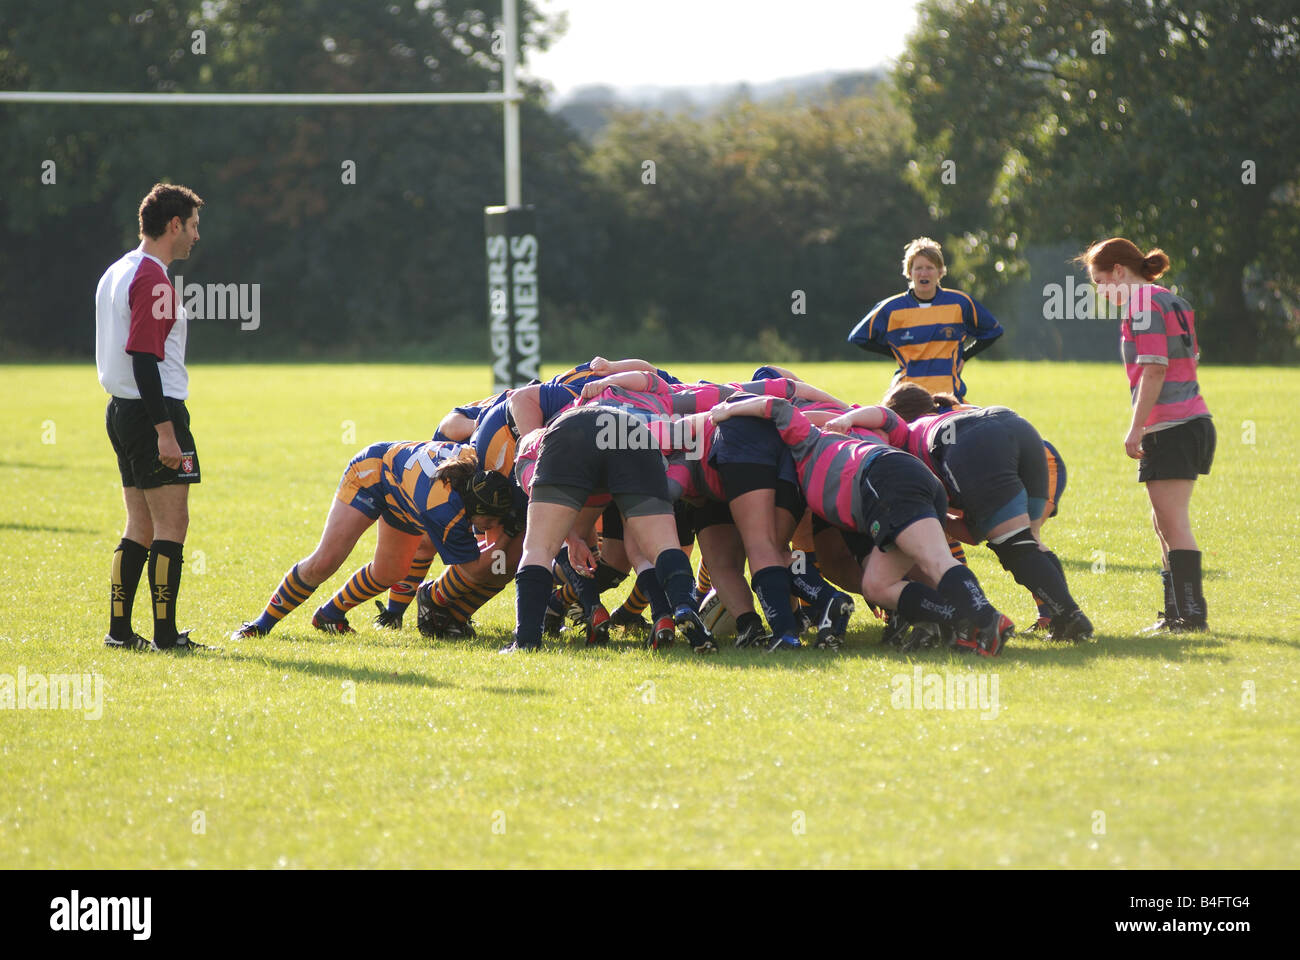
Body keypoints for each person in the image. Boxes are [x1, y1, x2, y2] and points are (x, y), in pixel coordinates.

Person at [712, 395, 1011, 656]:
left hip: (885, 480)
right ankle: (961, 618)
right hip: (902, 482)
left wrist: (727, 411)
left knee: (935, 561)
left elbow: (777, 407)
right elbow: (888, 418)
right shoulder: (838, 448)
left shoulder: (808, 439)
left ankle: (987, 618)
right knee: (878, 586)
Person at [231, 442, 513, 638]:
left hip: (403, 491)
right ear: (471, 508)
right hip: (371, 475)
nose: (493, 526)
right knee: (325, 561)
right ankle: (260, 625)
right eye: (490, 521)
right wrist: (509, 534)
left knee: (390, 572)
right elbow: (473, 570)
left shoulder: (478, 474)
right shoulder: (443, 510)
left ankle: (329, 616)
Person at [881, 383, 1093, 642]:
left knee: (1014, 547)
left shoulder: (905, 434)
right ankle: (1062, 619)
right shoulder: (948, 410)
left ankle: (1071, 617)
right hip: (1015, 425)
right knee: (1030, 541)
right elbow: (974, 533)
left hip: (973, 443)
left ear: (898, 417)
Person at [1076, 238, 1214, 632]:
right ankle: (1176, 613)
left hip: (1172, 425)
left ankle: (1190, 615)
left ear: (1120, 270)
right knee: (1164, 522)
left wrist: (1137, 427)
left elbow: (1155, 368)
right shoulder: (1170, 299)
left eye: (1101, 281)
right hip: (1189, 421)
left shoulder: (1142, 305)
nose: (1102, 292)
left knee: (1173, 523)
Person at [96, 182, 206, 652]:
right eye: (194, 226)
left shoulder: (118, 270)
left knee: (138, 524)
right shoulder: (153, 278)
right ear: (174, 224)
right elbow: (143, 356)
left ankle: (120, 632)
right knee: (171, 524)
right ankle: (165, 637)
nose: (197, 237)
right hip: (153, 413)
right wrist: (165, 431)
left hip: (121, 411)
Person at [847, 237, 1002, 399]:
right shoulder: (891, 308)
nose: (924, 273)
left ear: (940, 272)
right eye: (918, 268)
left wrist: (964, 356)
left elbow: (993, 331)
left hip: (949, 396)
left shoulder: (960, 303)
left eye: (930, 267)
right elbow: (858, 337)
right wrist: (899, 352)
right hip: (907, 396)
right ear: (909, 272)